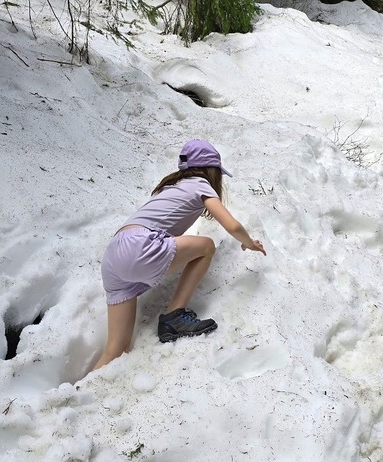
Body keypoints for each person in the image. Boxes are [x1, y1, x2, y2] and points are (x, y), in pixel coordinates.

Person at [92, 139, 266, 371]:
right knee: (206, 246)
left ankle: (76, 395)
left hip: (114, 255)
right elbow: (232, 226)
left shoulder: (172, 187)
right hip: (139, 246)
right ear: (210, 170)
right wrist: (249, 243)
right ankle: (174, 315)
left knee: (116, 351)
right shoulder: (200, 183)